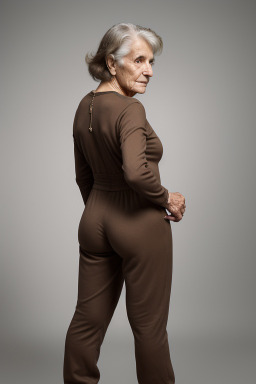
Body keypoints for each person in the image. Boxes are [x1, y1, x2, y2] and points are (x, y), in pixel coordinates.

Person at [63, 22, 186, 384]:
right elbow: (135, 172)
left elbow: (82, 176)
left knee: (87, 320)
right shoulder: (130, 110)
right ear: (112, 64)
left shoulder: (85, 106)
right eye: (139, 60)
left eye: (151, 61)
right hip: (138, 223)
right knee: (149, 327)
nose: (148, 70)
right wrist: (168, 199)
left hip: (95, 219)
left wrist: (100, 210)